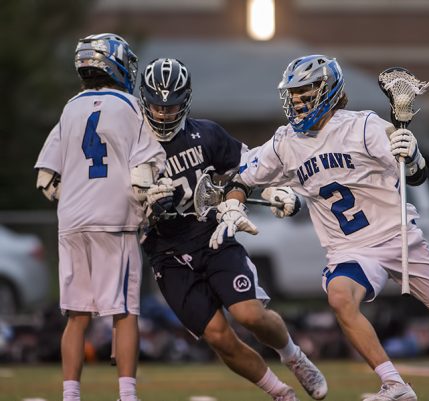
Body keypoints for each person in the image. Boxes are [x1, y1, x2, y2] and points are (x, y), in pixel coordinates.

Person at [210, 54, 429, 401]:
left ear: (327, 91)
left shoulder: (364, 127)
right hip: (349, 248)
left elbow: (415, 174)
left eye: (305, 93)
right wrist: (234, 203)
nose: (296, 102)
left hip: (396, 235)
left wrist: (413, 155)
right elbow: (241, 177)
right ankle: (395, 385)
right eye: (292, 94)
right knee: (340, 298)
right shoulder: (285, 142)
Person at [139, 58, 327, 401]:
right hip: (166, 253)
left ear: (186, 102)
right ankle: (281, 393)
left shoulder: (206, 134)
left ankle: (294, 356)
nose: (164, 114)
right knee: (218, 336)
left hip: (211, 237)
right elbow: (115, 204)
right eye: (157, 106)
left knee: (250, 315)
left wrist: (273, 192)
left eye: (171, 106)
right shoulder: (131, 146)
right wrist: (146, 208)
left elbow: (250, 168)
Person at [34, 33, 166, 401]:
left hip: (71, 220)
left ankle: (70, 394)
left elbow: (46, 178)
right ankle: (127, 394)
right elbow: (145, 171)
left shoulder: (70, 109)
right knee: (124, 312)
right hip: (114, 219)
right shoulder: (131, 106)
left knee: (76, 316)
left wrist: (79, 194)